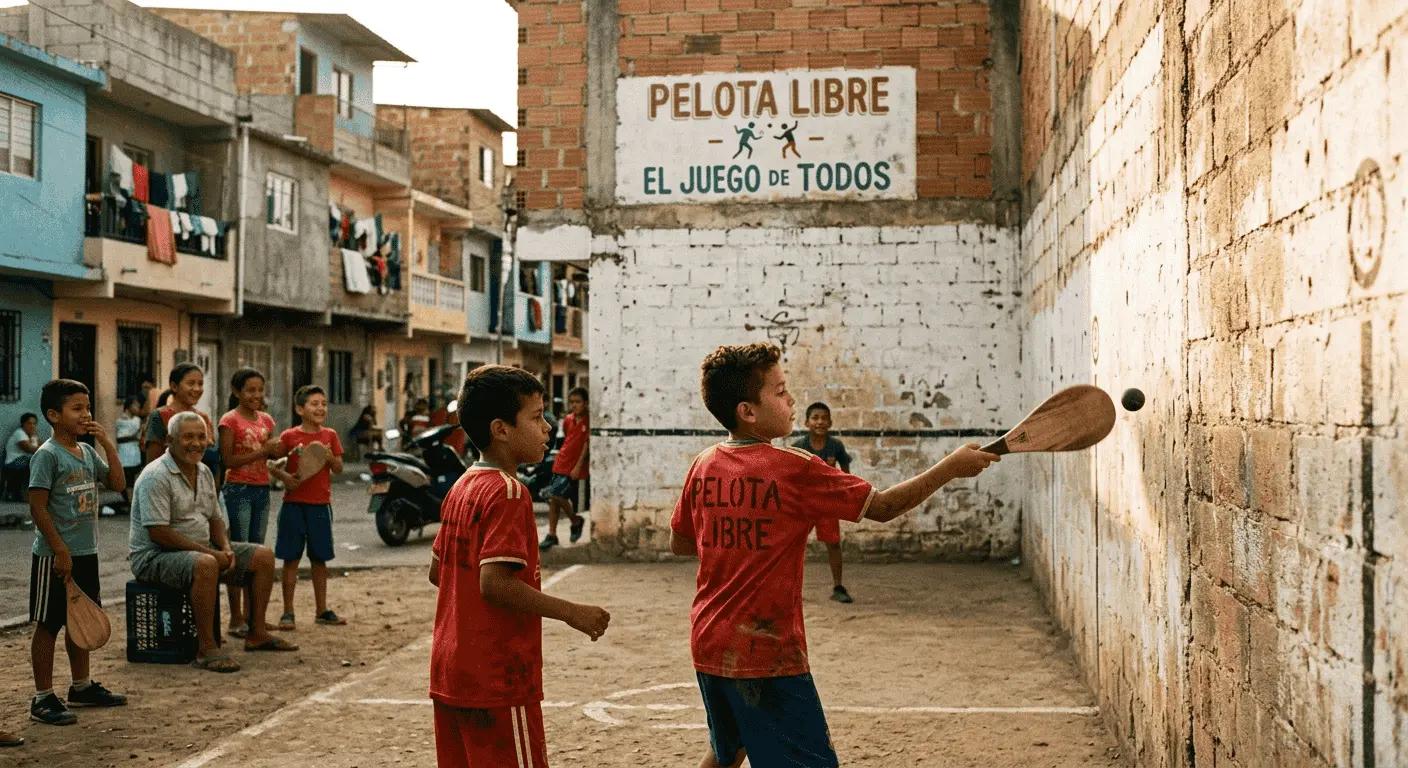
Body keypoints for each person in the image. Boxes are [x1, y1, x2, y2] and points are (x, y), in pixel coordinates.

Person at [669, 343, 998, 768]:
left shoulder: (703, 463)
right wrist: (950, 466)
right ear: (748, 411)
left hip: (709, 640)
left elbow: (680, 543)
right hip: (767, 652)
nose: (792, 400)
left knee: (728, 748)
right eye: (781, 391)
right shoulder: (795, 467)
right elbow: (881, 507)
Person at [428, 365, 610, 766]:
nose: (547, 428)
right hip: (497, 675)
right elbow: (494, 584)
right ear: (501, 429)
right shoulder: (509, 492)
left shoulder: (463, 486)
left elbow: (436, 572)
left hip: (450, 669)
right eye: (536, 417)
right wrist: (572, 612)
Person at [129, 412, 298, 673]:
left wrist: (227, 549)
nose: (196, 443)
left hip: (199, 549)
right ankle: (206, 648)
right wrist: (211, 552)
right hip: (154, 557)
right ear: (170, 440)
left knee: (263, 556)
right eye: (188, 437)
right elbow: (159, 534)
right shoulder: (156, 476)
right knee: (207, 564)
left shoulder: (204, 471)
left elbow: (216, 520)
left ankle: (257, 633)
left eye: (200, 437)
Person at [26, 379, 128, 726]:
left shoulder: (86, 452)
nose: (86, 414)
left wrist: (106, 444)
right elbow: (37, 508)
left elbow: (117, 484)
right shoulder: (47, 455)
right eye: (77, 408)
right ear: (54, 415)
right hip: (54, 556)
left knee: (79, 620)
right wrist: (59, 550)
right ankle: (42, 697)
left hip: (86, 552)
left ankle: (81, 686)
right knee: (49, 623)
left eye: (87, 408)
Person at [270, 385, 345, 630]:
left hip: (320, 506)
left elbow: (338, 468)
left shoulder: (330, 436)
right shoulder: (289, 436)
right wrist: (284, 478)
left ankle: (321, 610)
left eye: (323, 403)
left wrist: (329, 456)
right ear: (300, 409)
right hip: (292, 505)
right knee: (290, 559)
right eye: (314, 403)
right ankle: (288, 612)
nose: (320, 408)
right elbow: (273, 465)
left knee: (319, 559)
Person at [218, 368, 285, 638]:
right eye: (250, 390)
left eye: (260, 389)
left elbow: (268, 456)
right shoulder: (229, 421)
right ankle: (236, 619)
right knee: (238, 555)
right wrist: (264, 451)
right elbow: (228, 461)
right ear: (236, 392)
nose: (257, 395)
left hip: (261, 490)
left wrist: (278, 455)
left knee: (257, 555)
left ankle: (253, 617)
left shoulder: (266, 420)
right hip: (238, 489)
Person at [794, 402, 855, 603]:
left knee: (833, 545)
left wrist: (844, 494)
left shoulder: (835, 446)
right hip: (804, 505)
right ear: (806, 422)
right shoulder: (799, 447)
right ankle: (792, 589)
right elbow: (790, 476)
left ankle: (838, 587)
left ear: (830, 422)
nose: (820, 422)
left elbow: (845, 472)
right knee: (794, 546)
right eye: (815, 418)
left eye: (824, 418)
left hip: (828, 504)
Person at [540, 387, 590, 551]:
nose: (575, 405)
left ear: (586, 403)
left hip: (574, 466)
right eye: (572, 402)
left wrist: (578, 466)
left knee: (557, 495)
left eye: (578, 402)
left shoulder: (588, 421)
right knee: (554, 500)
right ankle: (552, 534)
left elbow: (585, 445)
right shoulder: (568, 420)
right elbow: (567, 440)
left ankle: (576, 521)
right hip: (561, 462)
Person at [3, 412, 40, 500]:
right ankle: (25, 494)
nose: (32, 426)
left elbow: (44, 445)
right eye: (29, 423)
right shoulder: (19, 433)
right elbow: (28, 448)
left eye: (34, 423)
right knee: (32, 464)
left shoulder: (33, 436)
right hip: (13, 462)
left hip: (25, 462)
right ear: (23, 424)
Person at [115, 398, 144, 507]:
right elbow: (120, 438)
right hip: (125, 454)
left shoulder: (137, 420)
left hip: (135, 454)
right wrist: (134, 436)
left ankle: (131, 501)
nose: (138, 408)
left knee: (133, 478)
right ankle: (128, 501)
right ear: (129, 406)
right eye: (135, 405)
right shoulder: (120, 421)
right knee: (125, 479)